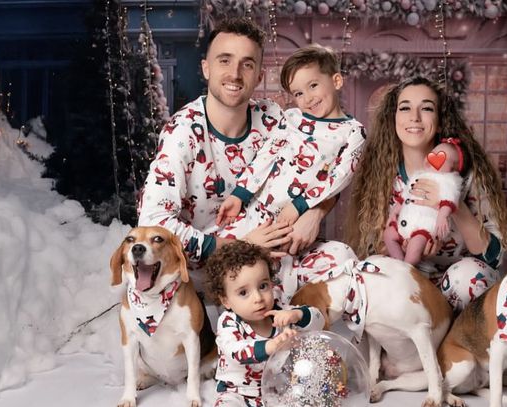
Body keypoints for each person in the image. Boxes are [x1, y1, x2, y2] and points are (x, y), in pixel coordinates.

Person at [137, 19, 356, 302]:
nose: (235, 74)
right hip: (205, 268)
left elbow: (328, 166)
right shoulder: (183, 132)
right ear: (206, 68)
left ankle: (289, 316)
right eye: (224, 60)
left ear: (259, 75)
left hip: (273, 255)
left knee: (342, 261)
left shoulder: (273, 118)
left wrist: (315, 213)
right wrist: (239, 246)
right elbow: (153, 223)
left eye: (247, 64)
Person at [346, 75, 507, 311]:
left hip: (457, 288)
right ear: (393, 118)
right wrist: (411, 249)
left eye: (426, 108)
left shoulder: (466, 175)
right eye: (405, 108)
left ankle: (455, 333)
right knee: (367, 274)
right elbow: (374, 247)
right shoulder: (381, 176)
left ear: (440, 120)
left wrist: (454, 205)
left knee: (467, 277)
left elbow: (494, 257)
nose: (414, 117)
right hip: (409, 283)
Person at [216, 44, 365, 237]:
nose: (308, 98)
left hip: (293, 220)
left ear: (336, 81)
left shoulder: (353, 132)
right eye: (298, 93)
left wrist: (299, 205)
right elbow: (267, 155)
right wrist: (240, 194)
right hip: (255, 208)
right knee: (228, 247)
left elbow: (339, 177)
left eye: (313, 86)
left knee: (275, 253)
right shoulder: (292, 117)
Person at [202, 240, 324, 407]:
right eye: (244, 292)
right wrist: (271, 346)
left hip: (278, 393)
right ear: (226, 300)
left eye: (263, 286)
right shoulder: (228, 322)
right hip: (237, 395)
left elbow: (319, 321)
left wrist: (298, 314)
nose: (258, 298)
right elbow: (237, 351)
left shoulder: (281, 313)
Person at [383, 139, 464, 266]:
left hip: (423, 229)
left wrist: (442, 216)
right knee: (388, 234)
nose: (432, 158)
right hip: (403, 225)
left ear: (452, 168)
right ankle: (398, 263)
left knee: (416, 246)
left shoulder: (448, 181)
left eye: (441, 157)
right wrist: (394, 212)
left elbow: (449, 201)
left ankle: (407, 266)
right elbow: (405, 196)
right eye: (432, 154)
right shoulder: (418, 175)